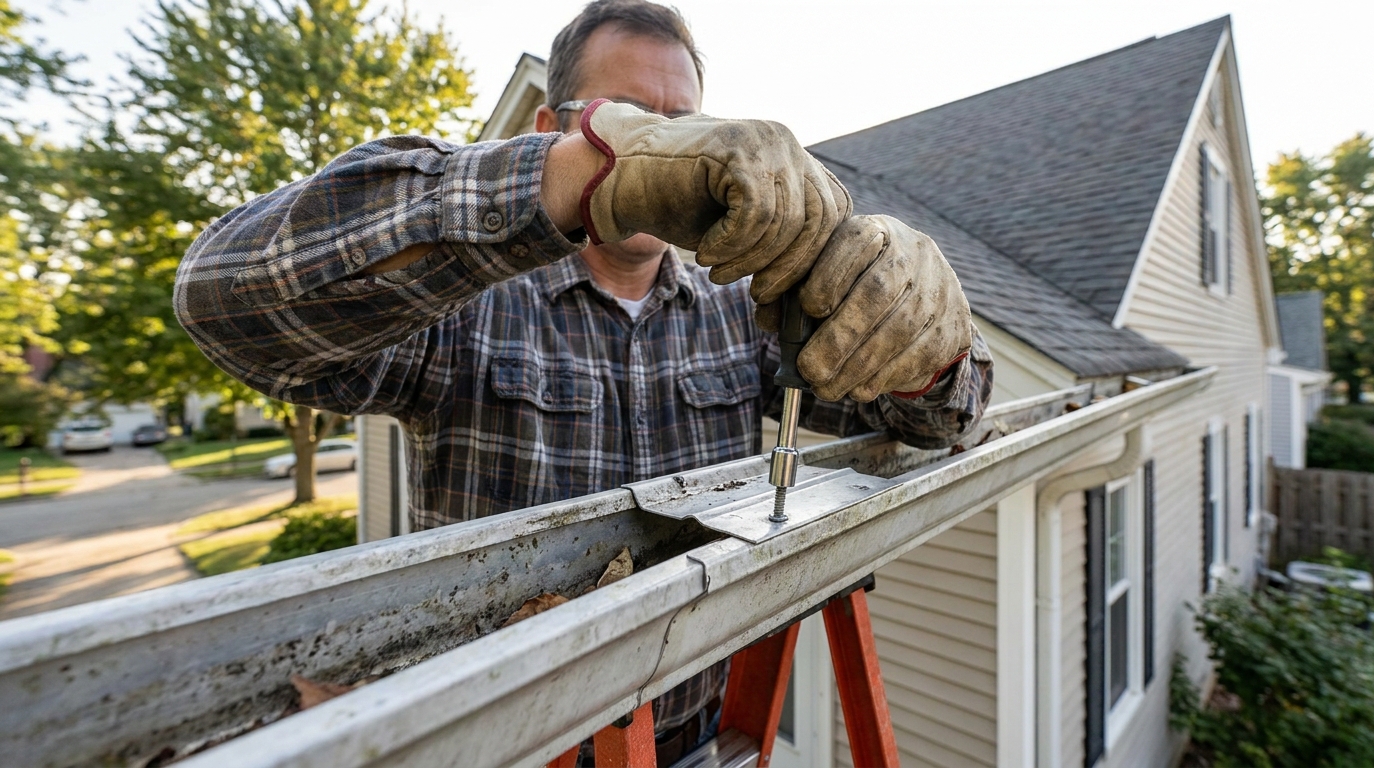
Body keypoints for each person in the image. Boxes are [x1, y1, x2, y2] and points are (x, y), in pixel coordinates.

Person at [174, 1, 992, 762]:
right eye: (633, 122)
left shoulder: (743, 311)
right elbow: (222, 303)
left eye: (685, 126)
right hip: (509, 747)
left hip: (689, 734)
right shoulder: (466, 304)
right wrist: (584, 180)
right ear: (548, 129)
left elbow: (943, 421)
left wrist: (930, 348)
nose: (670, 148)